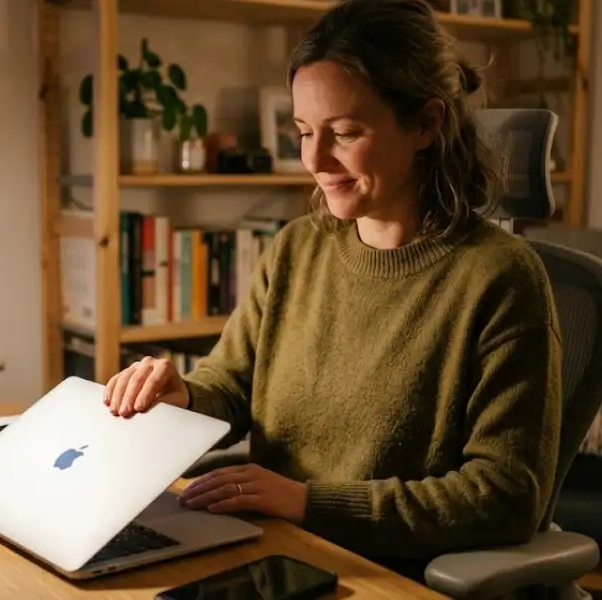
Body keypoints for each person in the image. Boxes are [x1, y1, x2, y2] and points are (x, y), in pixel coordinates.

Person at [103, 0, 563, 581]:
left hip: (385, 574)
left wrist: (306, 500)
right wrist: (183, 396)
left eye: (345, 133)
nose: (315, 160)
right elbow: (232, 384)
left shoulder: (500, 278)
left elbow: (504, 495)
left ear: (426, 124)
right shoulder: (297, 248)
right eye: (303, 132)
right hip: (272, 556)